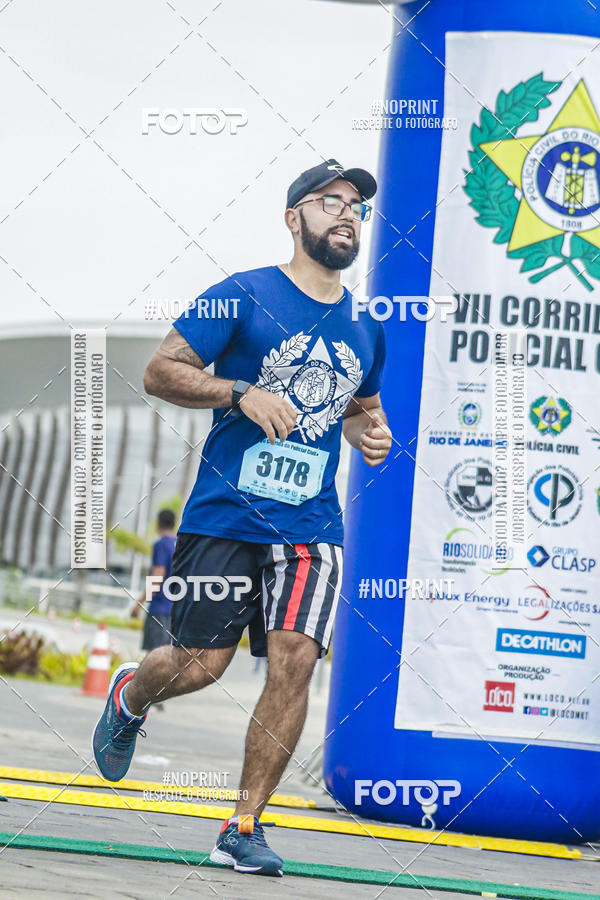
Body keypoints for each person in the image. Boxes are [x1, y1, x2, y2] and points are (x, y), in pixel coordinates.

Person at [93, 158, 392, 878]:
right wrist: (239, 393)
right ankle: (132, 694)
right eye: (329, 201)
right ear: (295, 219)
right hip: (225, 515)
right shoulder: (242, 295)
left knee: (294, 658)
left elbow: (359, 409)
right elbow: (162, 370)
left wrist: (372, 434)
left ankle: (243, 824)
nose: (346, 214)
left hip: (311, 526)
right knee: (199, 665)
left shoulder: (367, 326)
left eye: (357, 206)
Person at [131, 509, 177, 662]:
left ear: (158, 523)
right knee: (166, 660)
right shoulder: (178, 545)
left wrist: (139, 604)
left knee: (153, 661)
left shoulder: (161, 545)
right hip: (174, 611)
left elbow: (157, 577)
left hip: (159, 609)